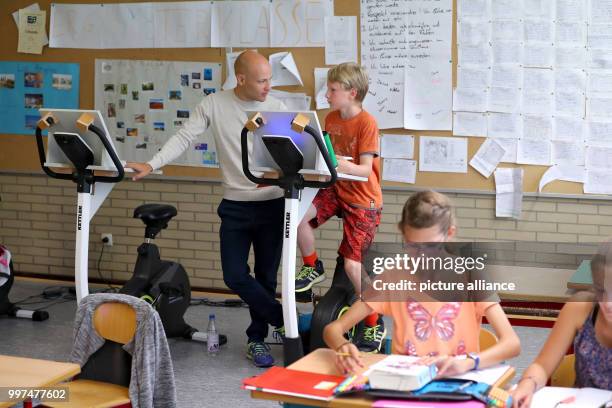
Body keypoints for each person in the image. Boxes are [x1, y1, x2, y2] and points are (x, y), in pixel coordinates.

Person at [127, 50, 286, 368]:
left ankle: (256, 339)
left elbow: (292, 155)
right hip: (235, 206)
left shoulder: (277, 108)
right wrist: (152, 163)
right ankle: (286, 322)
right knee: (235, 275)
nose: (269, 86)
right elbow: (184, 136)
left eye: (270, 79)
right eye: (263, 80)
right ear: (241, 79)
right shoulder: (214, 104)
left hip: (272, 204)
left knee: (266, 278)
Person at [323, 190, 521, 376]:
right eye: (412, 246)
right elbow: (332, 330)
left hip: (456, 381)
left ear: (449, 234)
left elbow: (512, 343)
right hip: (406, 384)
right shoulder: (393, 277)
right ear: (403, 235)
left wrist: (469, 362)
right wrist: (342, 346)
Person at [294, 62, 385, 353]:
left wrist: (341, 164)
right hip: (337, 188)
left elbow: (364, 170)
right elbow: (326, 155)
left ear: (352, 92)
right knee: (298, 217)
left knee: (352, 265)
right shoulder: (331, 118)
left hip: (363, 199)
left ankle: (373, 321)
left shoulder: (367, 123)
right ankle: (312, 267)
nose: (327, 94)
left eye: (333, 90)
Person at [511, 241, 612, 407]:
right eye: (601, 291)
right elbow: (542, 367)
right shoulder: (580, 308)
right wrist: (527, 384)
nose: (607, 303)